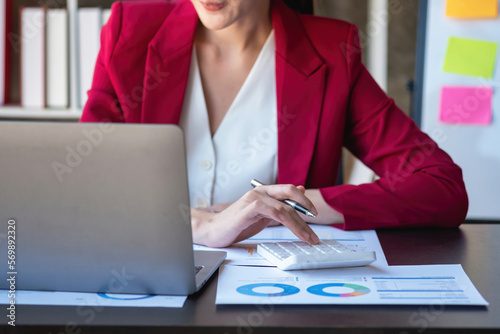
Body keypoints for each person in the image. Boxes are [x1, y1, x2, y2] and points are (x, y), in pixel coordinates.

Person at [80, 0, 468, 248]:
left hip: (274, 294)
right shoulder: (130, 29)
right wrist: (197, 226)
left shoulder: (330, 53)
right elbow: (84, 185)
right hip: (144, 278)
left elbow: (441, 186)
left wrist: (296, 205)